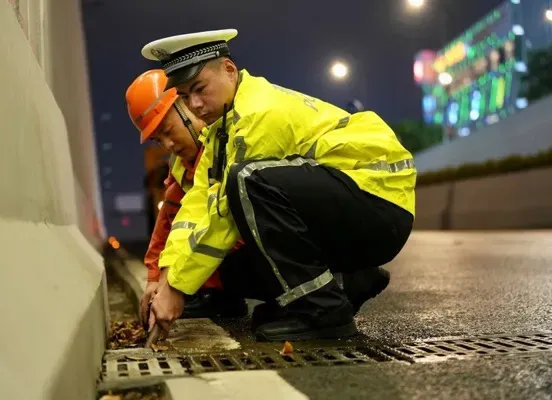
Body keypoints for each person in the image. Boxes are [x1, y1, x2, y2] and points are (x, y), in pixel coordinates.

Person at [140, 29, 416, 342]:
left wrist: (176, 288)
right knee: (231, 270)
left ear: (229, 69)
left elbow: (221, 219)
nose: (196, 104)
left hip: (379, 203)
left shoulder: (258, 114)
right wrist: (165, 276)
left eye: (200, 88)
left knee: (246, 181)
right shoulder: (222, 130)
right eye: (186, 97)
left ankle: (324, 312)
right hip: (347, 208)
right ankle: (340, 285)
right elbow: (198, 205)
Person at [125, 69, 248, 328]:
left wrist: (176, 285)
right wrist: (154, 278)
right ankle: (216, 294)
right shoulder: (181, 164)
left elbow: (223, 226)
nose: (168, 145)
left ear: (188, 104)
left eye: (168, 130)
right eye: (159, 140)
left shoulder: (230, 142)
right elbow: (168, 222)